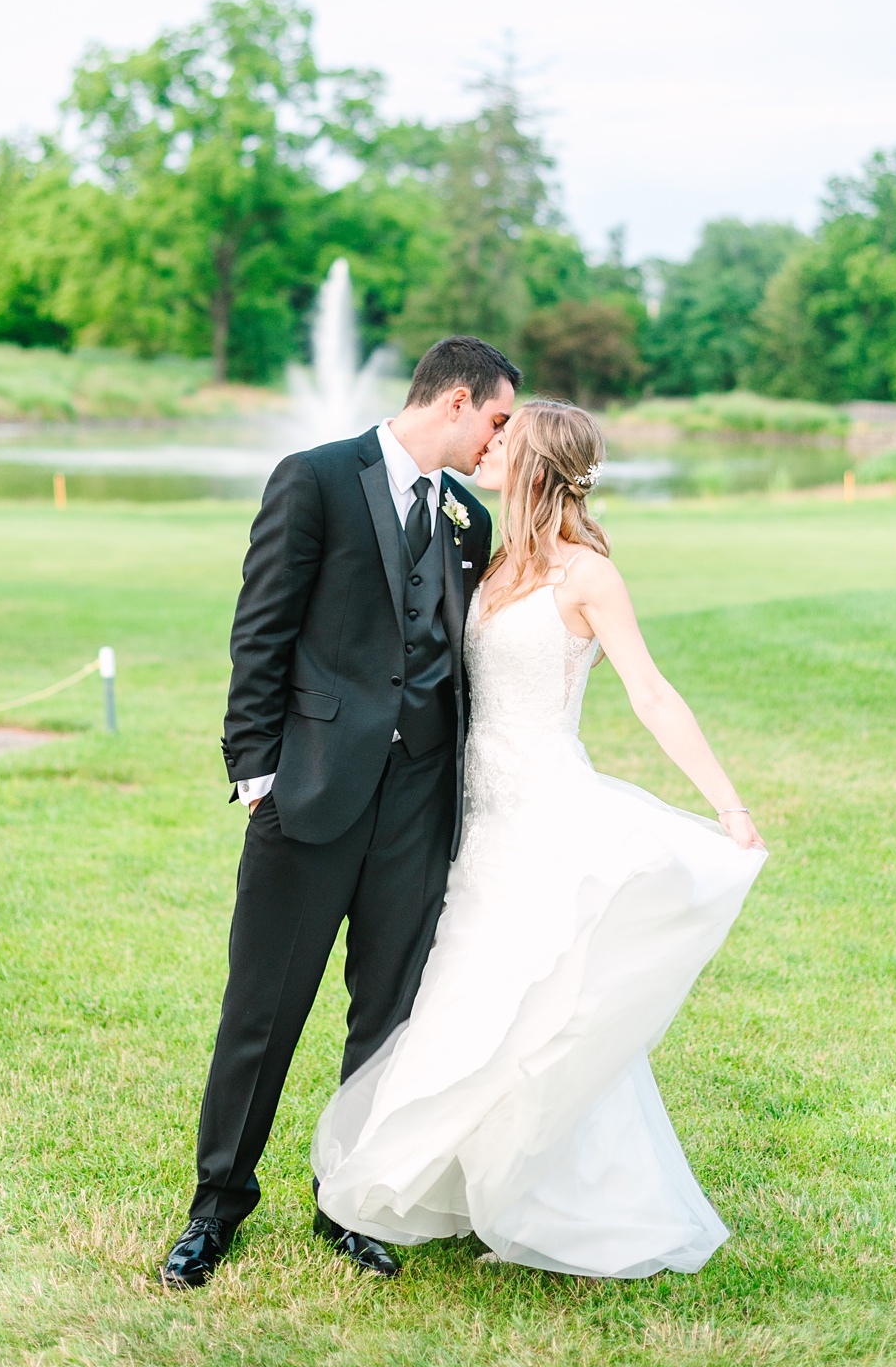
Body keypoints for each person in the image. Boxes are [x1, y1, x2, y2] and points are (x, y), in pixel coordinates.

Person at [310, 398, 766, 1277]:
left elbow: (652, 692)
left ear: (535, 465)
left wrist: (730, 806)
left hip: (543, 812)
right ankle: (465, 1185)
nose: (488, 445)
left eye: (504, 440)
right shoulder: (494, 556)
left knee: (531, 1006)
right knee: (467, 999)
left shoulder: (586, 575)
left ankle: (558, 1200)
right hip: (473, 812)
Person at [160, 335, 517, 1289]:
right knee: (262, 1010)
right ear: (455, 401)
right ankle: (216, 1205)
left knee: (388, 1017)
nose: (499, 439)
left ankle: (347, 1201)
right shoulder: (315, 479)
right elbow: (261, 626)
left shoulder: (469, 521)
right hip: (309, 790)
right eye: (497, 418)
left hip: (418, 805)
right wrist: (256, 770)